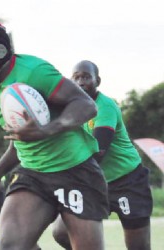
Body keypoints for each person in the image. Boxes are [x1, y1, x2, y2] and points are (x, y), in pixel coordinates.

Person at [0, 19, 109, 250]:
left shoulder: (34, 72)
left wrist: (47, 130)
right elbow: (20, 141)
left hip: (75, 171)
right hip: (33, 176)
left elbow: (86, 106)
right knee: (9, 246)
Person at [51, 60, 153, 250]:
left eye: (86, 77)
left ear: (97, 80)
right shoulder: (69, 108)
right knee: (61, 232)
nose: (81, 82)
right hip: (93, 180)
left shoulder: (105, 106)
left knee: (139, 247)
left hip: (127, 181)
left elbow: (98, 151)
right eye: (76, 78)